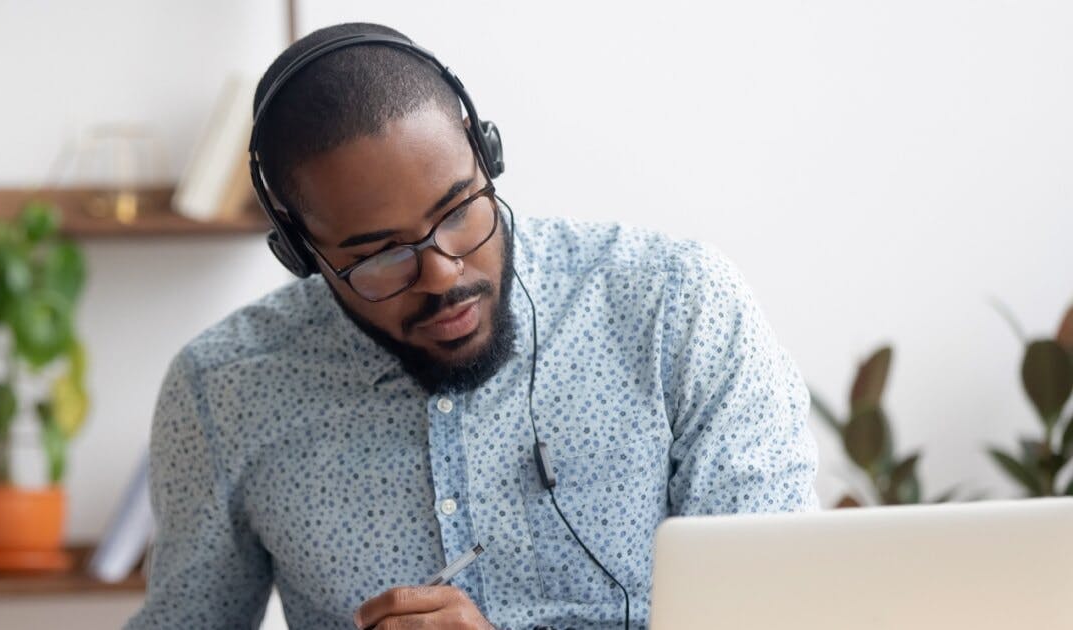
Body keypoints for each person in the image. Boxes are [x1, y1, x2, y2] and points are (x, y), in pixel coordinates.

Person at [126, 21, 818, 630]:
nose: (445, 275)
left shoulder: (679, 308)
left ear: (487, 155)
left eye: (460, 210)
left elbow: (790, 615)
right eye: (380, 255)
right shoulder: (221, 391)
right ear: (300, 254)